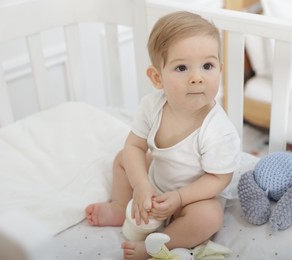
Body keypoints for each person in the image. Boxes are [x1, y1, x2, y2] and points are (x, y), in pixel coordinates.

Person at [85, 11, 240, 260]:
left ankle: (157, 244)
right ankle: (119, 205)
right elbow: (134, 146)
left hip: (192, 198)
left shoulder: (219, 130)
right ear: (157, 77)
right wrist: (141, 185)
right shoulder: (152, 106)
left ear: (220, 70)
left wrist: (179, 198)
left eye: (208, 66)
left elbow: (219, 178)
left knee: (210, 217)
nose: (197, 78)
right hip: (155, 183)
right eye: (181, 67)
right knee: (122, 158)